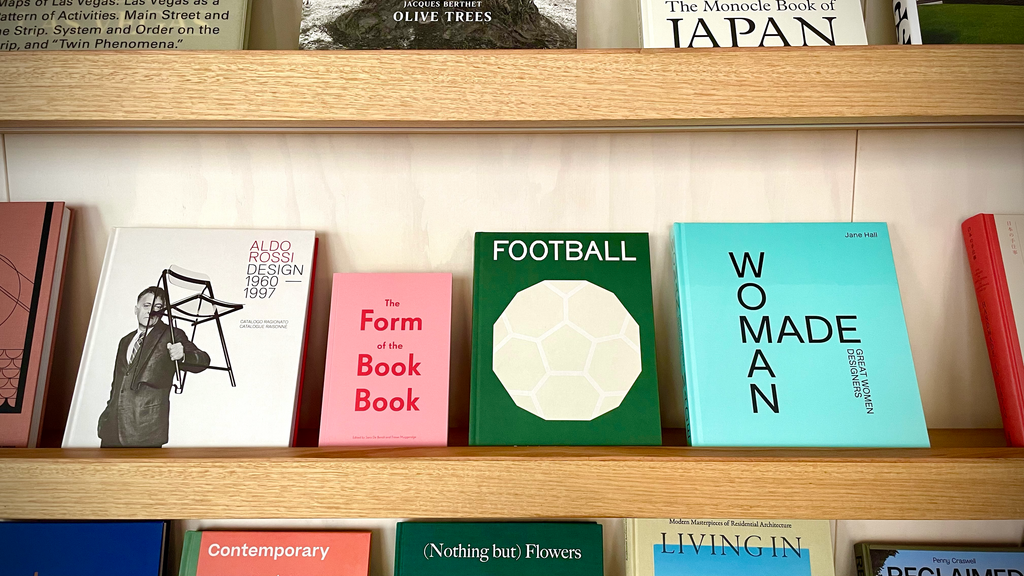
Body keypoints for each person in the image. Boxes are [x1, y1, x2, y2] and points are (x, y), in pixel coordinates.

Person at [97, 286, 210, 447]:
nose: (151, 311)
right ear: (136, 309)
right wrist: (107, 414)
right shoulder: (125, 341)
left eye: (157, 307)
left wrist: (184, 355)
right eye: (147, 305)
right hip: (111, 430)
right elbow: (117, 383)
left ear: (162, 311)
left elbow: (203, 360)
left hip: (145, 432)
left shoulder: (172, 334)